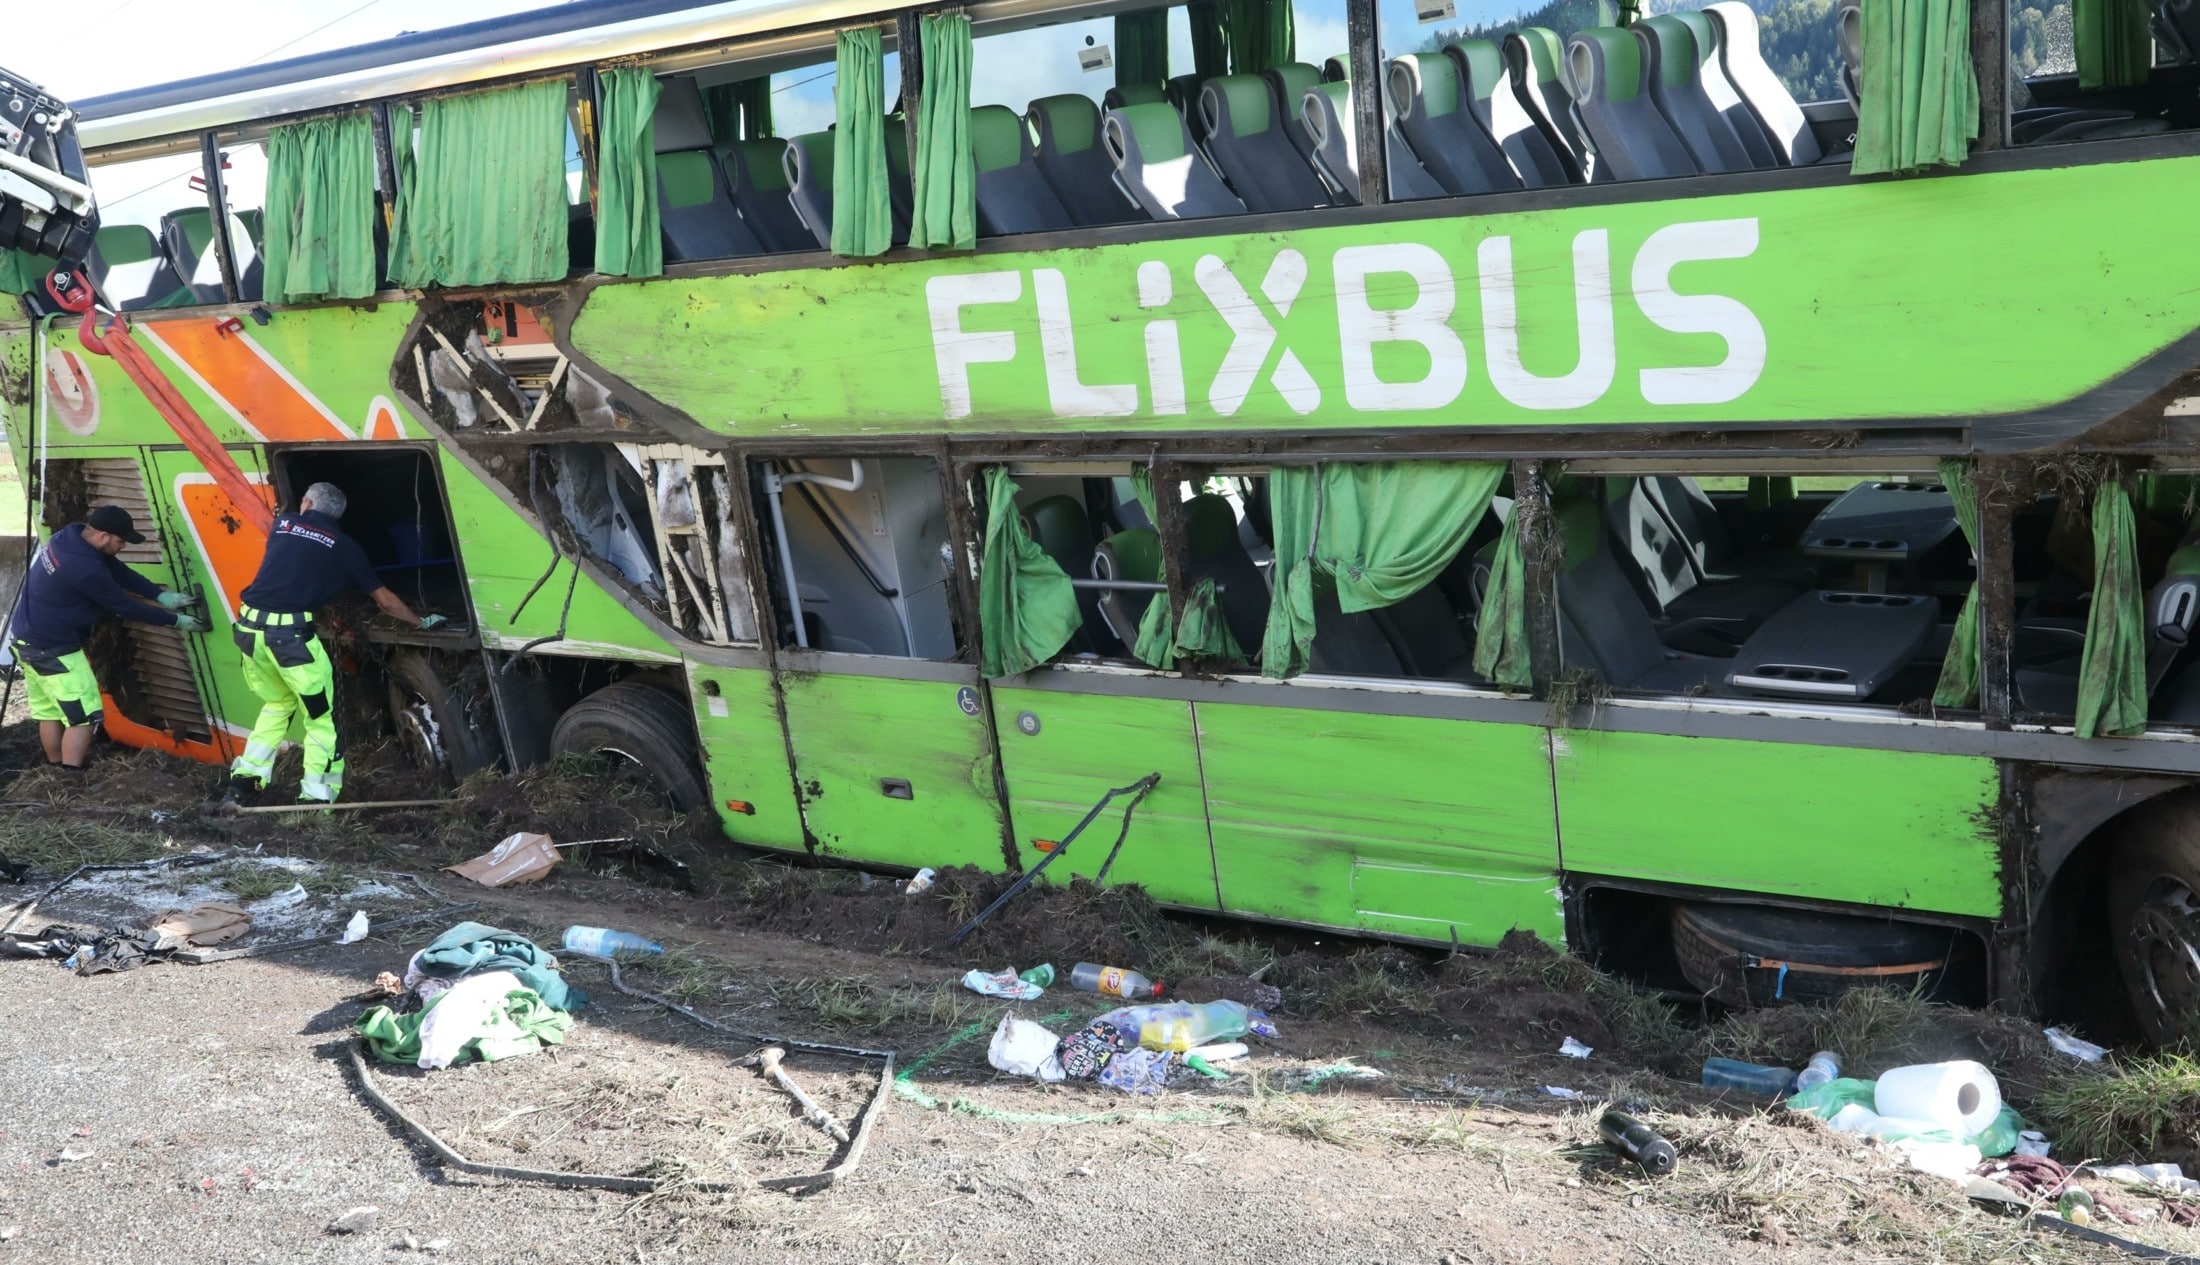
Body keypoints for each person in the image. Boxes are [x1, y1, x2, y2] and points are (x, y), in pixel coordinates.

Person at [228, 482, 446, 805]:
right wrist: (419, 621)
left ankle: (244, 784)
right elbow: (384, 602)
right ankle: (316, 798)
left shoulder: (282, 524)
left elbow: (294, 564)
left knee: (277, 705)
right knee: (321, 720)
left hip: (248, 633)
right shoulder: (344, 547)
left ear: (306, 503)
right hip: (291, 644)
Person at [8, 505, 207, 770]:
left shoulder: (69, 537)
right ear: (103, 535)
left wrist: (159, 595)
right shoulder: (84, 568)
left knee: (51, 712)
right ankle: (70, 776)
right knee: (84, 717)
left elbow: (117, 570)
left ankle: (54, 768)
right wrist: (175, 620)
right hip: (54, 652)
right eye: (121, 540)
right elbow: (124, 606)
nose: (122, 546)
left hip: (25, 641)